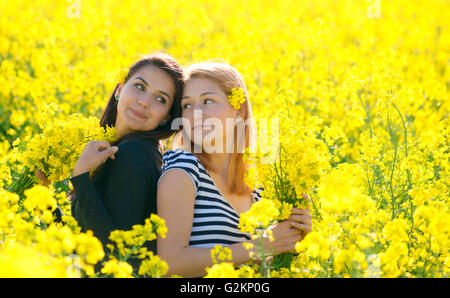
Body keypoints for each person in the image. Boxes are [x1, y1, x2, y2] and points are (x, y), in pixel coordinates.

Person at [157, 61, 312, 277]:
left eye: (208, 101)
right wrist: (262, 245)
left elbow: (252, 267)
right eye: (187, 105)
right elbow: (170, 264)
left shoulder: (259, 184)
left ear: (238, 109)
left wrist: (292, 240)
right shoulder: (184, 169)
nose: (196, 113)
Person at [55, 53, 184, 271]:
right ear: (119, 89)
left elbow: (114, 253)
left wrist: (80, 177)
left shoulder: (134, 152)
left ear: (166, 117)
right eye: (140, 87)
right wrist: (44, 204)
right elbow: (85, 240)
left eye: (160, 99)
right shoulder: (125, 149)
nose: (144, 102)